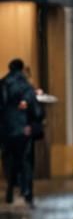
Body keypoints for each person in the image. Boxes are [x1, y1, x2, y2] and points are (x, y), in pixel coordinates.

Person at [1, 58, 42, 207]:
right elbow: (36, 110)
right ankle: (27, 193)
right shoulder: (26, 85)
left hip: (7, 129)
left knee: (10, 160)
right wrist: (33, 122)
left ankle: (11, 190)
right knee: (25, 161)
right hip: (24, 128)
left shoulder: (3, 83)